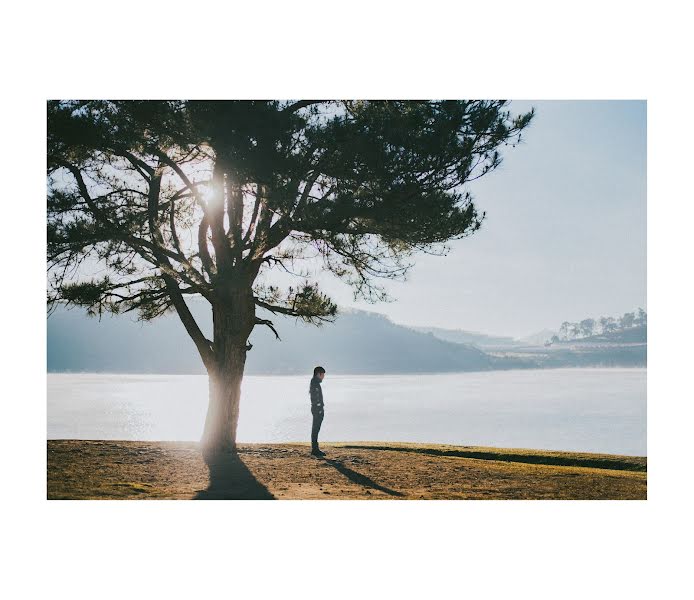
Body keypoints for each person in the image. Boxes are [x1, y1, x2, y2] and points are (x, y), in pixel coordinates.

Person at [309, 366, 326, 456]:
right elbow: (315, 398)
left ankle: (315, 448)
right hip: (317, 409)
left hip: (317, 408)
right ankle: (315, 449)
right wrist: (319, 408)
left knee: (315, 429)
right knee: (315, 429)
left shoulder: (315, 382)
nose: (323, 376)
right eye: (322, 374)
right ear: (318, 374)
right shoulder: (315, 383)